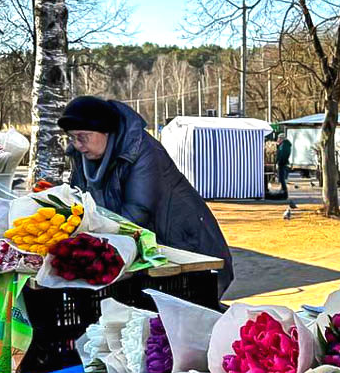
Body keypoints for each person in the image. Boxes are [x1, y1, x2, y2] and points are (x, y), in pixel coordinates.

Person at [59, 95, 235, 299]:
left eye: (83, 136)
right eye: (72, 137)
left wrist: (90, 243)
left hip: (187, 250)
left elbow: (136, 214)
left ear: (105, 130)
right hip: (150, 252)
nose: (78, 145)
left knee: (178, 316)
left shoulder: (144, 152)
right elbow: (79, 203)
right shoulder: (84, 156)